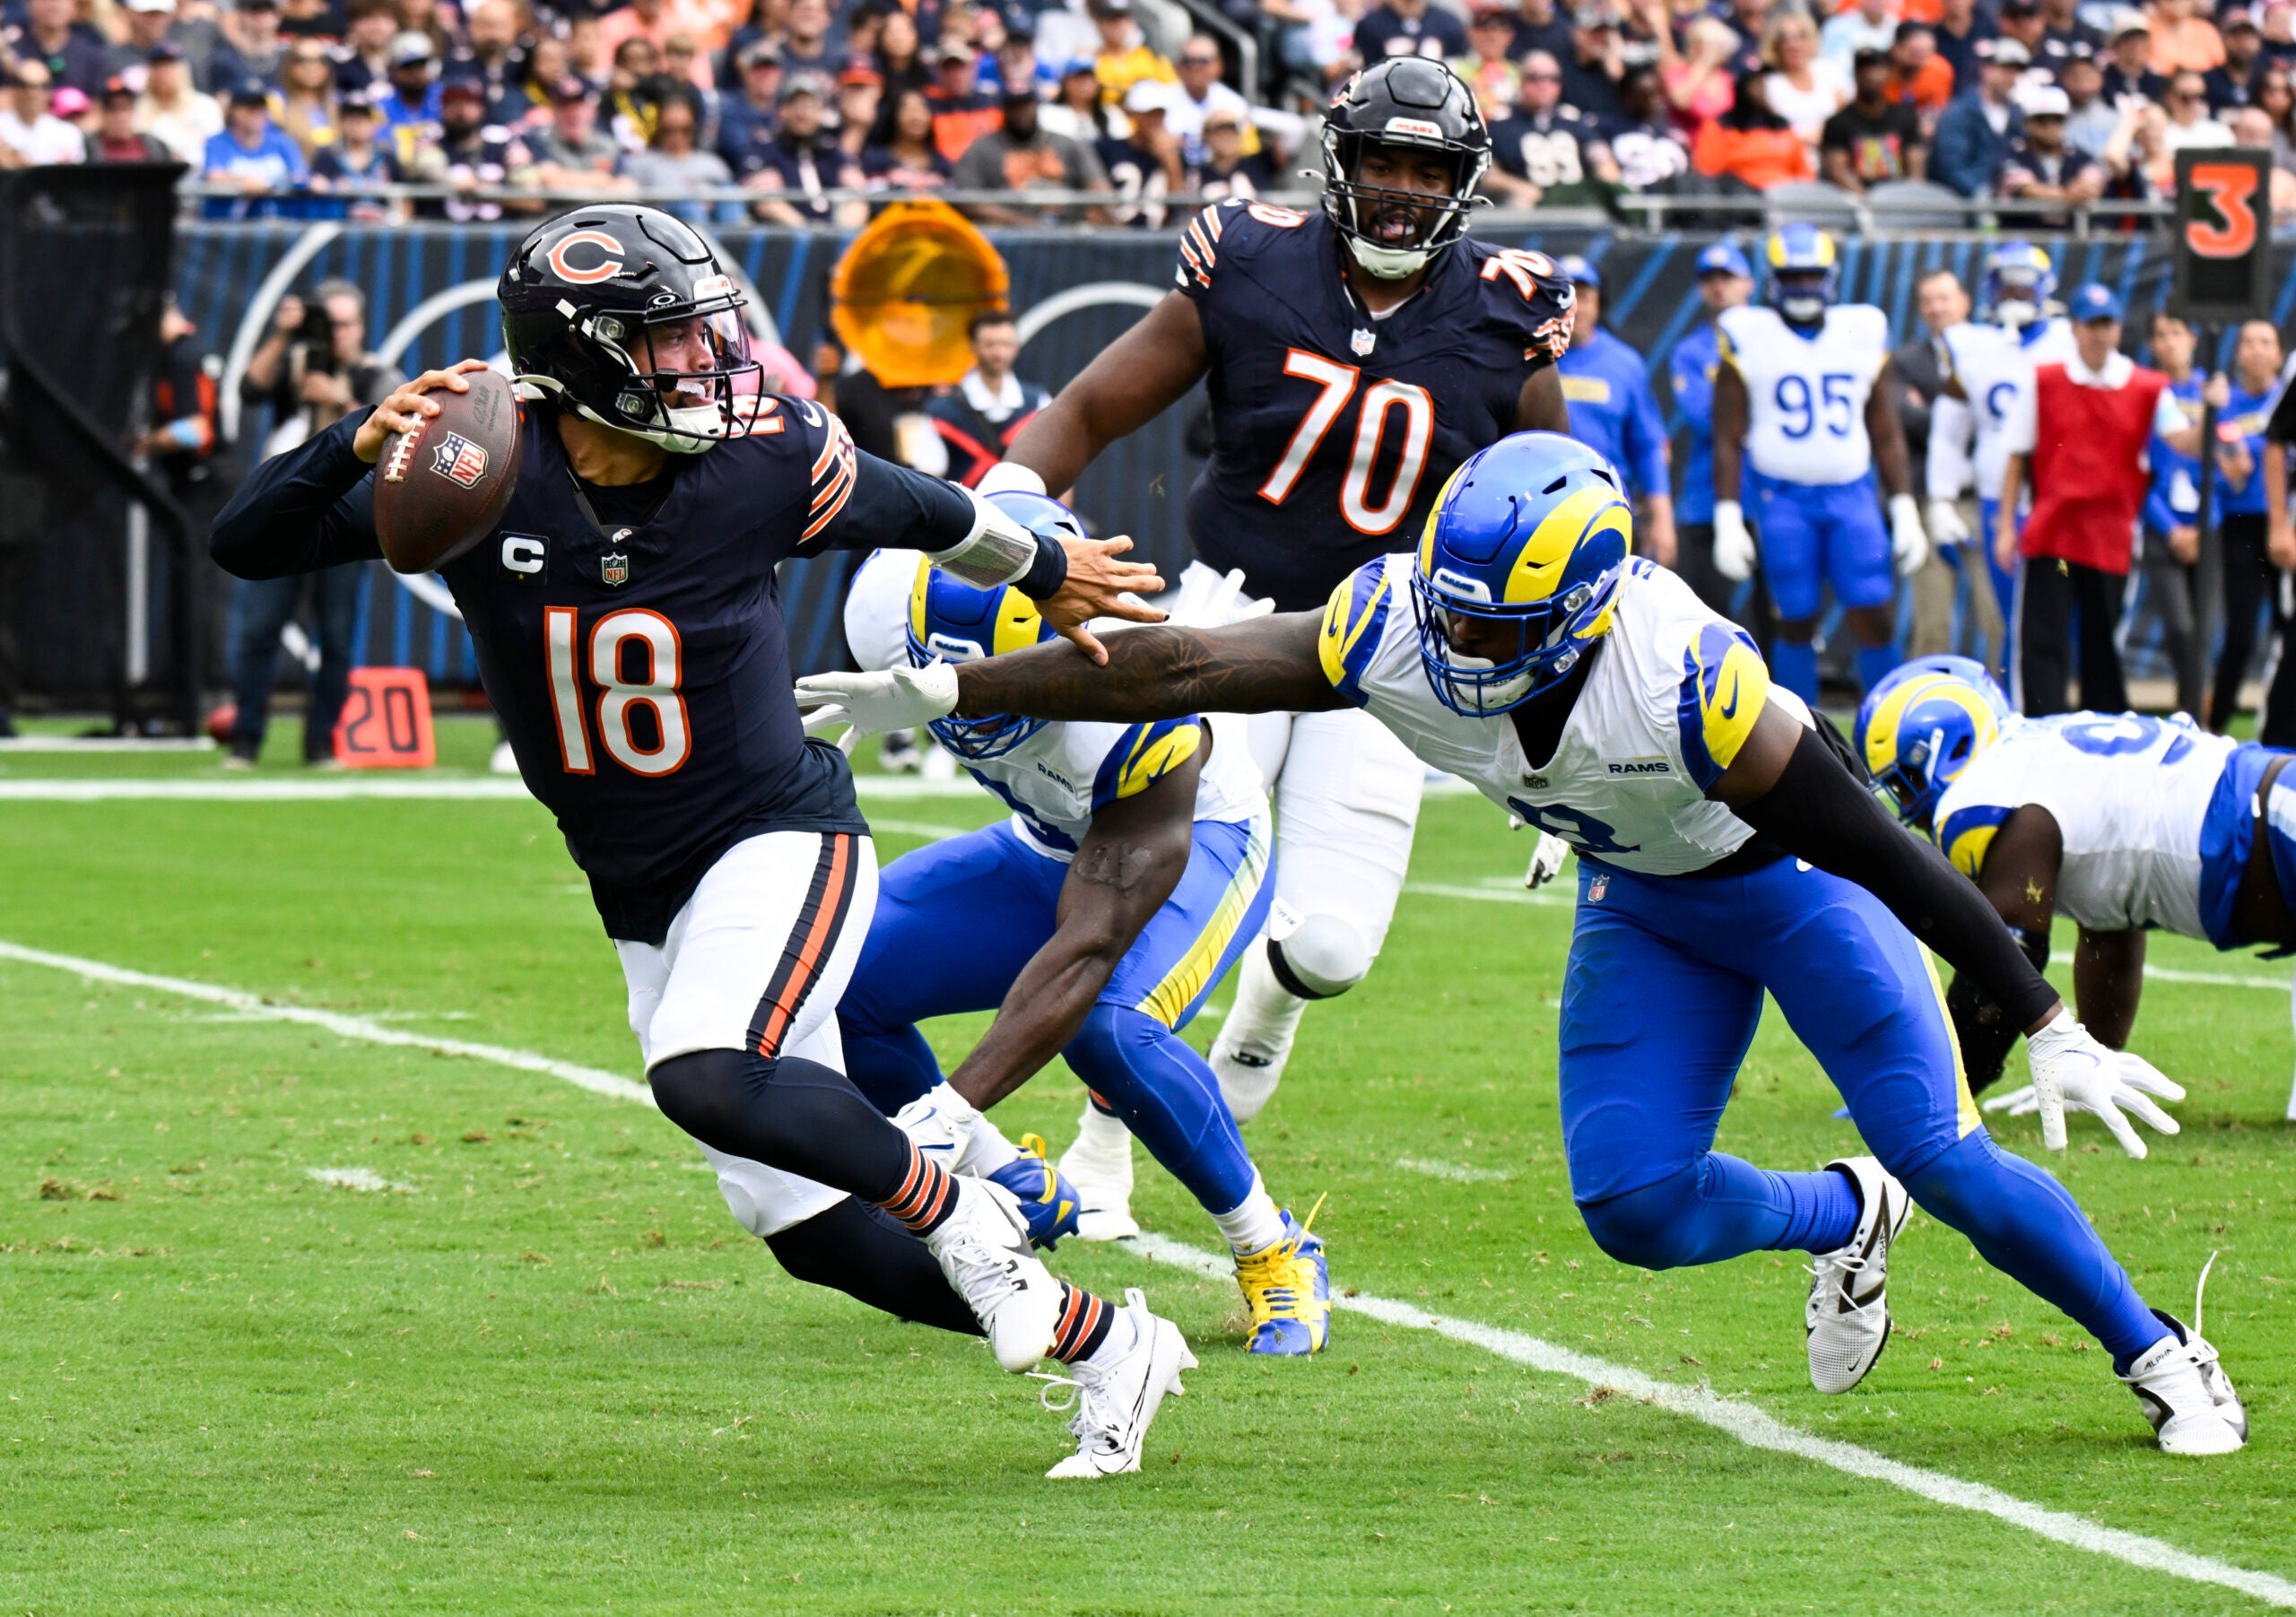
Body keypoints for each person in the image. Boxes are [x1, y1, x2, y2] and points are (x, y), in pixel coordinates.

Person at [804, 429, 2247, 1457]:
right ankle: (1841, 1217)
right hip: (1646, 899)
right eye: (1456, 614)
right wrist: (948, 682)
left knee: (1945, 1147)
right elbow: (1180, 659)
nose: (1465, 651)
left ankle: (2161, 1352)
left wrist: (2038, 1007)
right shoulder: (1394, 620)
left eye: (1505, 627)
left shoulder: (1697, 686)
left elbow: (1880, 845)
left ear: (1589, 605)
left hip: (1794, 888)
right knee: (1633, 1208)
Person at [208, 205, 1190, 1482]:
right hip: (637, 884)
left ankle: (975, 1222)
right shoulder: (482, 467)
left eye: (702, 331)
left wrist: (1047, 560)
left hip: (777, 834)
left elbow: (922, 505)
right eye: (666, 344)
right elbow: (249, 544)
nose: (706, 365)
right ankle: (1108, 1339)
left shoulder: (765, 455)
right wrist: (356, 434)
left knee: (708, 1069)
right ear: (578, 363)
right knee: (806, 1226)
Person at [970, 58, 1573, 1181]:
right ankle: (1103, 1152)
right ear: (1339, 163)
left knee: (1333, 947)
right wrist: (1005, 508)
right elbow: (1093, 404)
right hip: (1227, 621)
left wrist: (1559, 730)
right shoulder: (1250, 260)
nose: (1399, 190)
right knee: (1160, 896)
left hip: (1389, 644)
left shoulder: (1506, 315)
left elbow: (1548, 503)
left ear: (1464, 183)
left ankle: (1274, 1004)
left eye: (1426, 169)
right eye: (1382, 163)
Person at [834, 545, 1332, 1352]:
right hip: (1044, 842)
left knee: (1110, 1027)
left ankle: (1271, 1248)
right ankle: (1008, 1183)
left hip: (1190, 839)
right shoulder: (890, 599)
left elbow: (1091, 942)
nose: (982, 711)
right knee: (845, 973)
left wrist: (948, 1111)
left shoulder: (1130, 712)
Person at [1858, 660, 2288, 1126]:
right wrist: (2095, 1066)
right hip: (2261, 807)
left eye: (1904, 783)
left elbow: (2002, 963)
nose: (1905, 805)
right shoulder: (2044, 758)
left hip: (2261, 821)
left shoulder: (1983, 794)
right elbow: (2108, 931)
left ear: (1949, 749)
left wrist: (1934, 1093)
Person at [1711, 225, 1927, 704]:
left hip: (1852, 492)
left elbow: (1886, 430)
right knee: (1795, 616)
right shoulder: (1747, 333)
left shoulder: (1862, 329)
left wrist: (1906, 506)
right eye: (1793, 277)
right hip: (1782, 495)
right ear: (1773, 279)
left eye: (1812, 276)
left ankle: (1887, 723)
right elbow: (1727, 436)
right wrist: (1728, 514)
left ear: (1830, 277)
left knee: (1874, 610)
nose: (1804, 287)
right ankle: (1799, 736)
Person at [226, 280, 403, 769]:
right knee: (259, 629)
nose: (336, 333)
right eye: (328, 322)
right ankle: (245, 739)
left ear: (361, 327)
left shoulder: (376, 375)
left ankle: (322, 742)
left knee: (338, 635)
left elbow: (399, 439)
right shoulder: (298, 363)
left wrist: (340, 397)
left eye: (344, 324)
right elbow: (248, 388)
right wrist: (282, 335)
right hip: (288, 516)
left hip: (343, 519)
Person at [1996, 282, 2187, 717]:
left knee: (2103, 643)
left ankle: (2104, 731)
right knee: (2044, 640)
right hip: (2054, 533)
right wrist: (2006, 525)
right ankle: (2040, 730)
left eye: (2108, 324)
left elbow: (2182, 438)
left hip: (2110, 534)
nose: (2101, 334)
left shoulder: (2147, 386)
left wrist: (2213, 420)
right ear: (2075, 329)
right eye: (2092, 324)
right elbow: (2016, 456)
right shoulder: (2044, 380)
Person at [1925, 241, 2074, 653]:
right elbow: (1948, 431)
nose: (2013, 296)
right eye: (2006, 287)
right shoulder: (1970, 346)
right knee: (2012, 618)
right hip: (1998, 500)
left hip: (2060, 499)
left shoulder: (2070, 340)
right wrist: (1941, 497)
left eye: (2023, 288)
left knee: (2067, 616)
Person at [2204, 318, 2292, 738]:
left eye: (2265, 342)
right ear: (2238, 352)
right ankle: (2215, 725)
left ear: (2278, 352)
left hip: (2287, 524)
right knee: (2239, 634)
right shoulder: (2225, 402)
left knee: (2285, 630)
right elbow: (2207, 471)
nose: (2257, 350)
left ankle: (2273, 726)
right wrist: (2231, 475)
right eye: (2248, 342)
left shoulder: (2285, 393)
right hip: (2242, 526)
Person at [1553, 256, 1674, 565]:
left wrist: (1662, 519)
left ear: (1599, 302)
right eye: (1565, 294)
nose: (1575, 305)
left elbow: (1648, 447)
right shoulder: (1529, 357)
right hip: (1540, 514)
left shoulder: (1625, 364)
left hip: (1609, 515)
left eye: (1584, 295)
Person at [1668, 240, 1754, 619]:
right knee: (1709, 616)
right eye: (1709, 278)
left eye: (1728, 276)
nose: (1719, 286)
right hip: (1707, 495)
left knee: (1782, 617)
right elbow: (1707, 420)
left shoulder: (1772, 341)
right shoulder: (1690, 351)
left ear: (1748, 283)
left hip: (1768, 496)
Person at [2139, 309, 2206, 720]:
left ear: (2193, 338)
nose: (2169, 342)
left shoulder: (2212, 393)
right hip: (2162, 527)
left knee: (2202, 628)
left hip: (2206, 529)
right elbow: (2137, 471)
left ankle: (2198, 713)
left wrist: (2201, 529)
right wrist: (2171, 528)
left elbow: (2225, 465)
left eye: (2177, 332)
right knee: (2179, 627)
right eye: (2160, 335)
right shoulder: (2145, 392)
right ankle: (2189, 711)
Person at [947, 77, 1109, 224]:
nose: (1022, 113)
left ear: (1037, 106)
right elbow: (967, 199)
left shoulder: (1067, 144)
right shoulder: (982, 150)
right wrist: (1020, 221)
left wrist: (1094, 208)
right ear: (1004, 109)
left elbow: (1099, 186)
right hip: (1010, 234)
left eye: (1026, 105)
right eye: (1014, 107)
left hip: (1068, 227)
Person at [927, 310, 1051, 487]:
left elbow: (1055, 467)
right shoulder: (940, 412)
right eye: (989, 345)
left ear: (1016, 347)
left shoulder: (1039, 402)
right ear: (973, 347)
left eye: (1006, 344)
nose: (998, 353)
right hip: (966, 512)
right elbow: (929, 477)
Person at [408, 74, 541, 222]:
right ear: (442, 108)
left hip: (499, 238)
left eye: (467, 102)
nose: (460, 110)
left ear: (481, 107)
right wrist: (459, 185)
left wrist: (484, 190)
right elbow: (430, 171)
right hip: (443, 238)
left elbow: (533, 201)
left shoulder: (503, 140)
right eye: (452, 102)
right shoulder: (430, 138)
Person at [1484, 50, 1605, 204]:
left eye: (1552, 79)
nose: (1544, 85)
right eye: (1535, 78)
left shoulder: (1571, 119)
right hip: (1532, 206)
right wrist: (1517, 187)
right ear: (1520, 81)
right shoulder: (1502, 122)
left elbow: (1602, 158)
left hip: (1577, 202)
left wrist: (1605, 178)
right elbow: (1488, 175)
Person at [746, 74, 864, 225]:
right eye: (796, 105)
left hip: (834, 234)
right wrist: (807, 230)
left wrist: (839, 233)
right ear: (782, 110)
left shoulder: (831, 151)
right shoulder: (764, 150)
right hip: (786, 237)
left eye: (811, 106)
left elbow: (858, 194)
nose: (804, 113)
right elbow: (766, 202)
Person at [620, 81, 731, 220]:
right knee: (689, 208)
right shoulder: (641, 164)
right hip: (667, 229)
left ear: (694, 128)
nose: (677, 137)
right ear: (659, 128)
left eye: (684, 130)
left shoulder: (713, 164)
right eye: (669, 130)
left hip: (717, 230)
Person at [1929, 36, 2025, 195]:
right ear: (1986, 69)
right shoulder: (1959, 112)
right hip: (1964, 203)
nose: (2011, 78)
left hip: (2006, 201)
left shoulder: (2016, 114)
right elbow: (1951, 166)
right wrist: (1981, 193)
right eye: (2006, 70)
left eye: (2016, 72)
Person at [1821, 45, 1926, 187]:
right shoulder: (1838, 122)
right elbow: (1838, 172)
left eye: (1878, 69)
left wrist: (1908, 195)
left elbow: (1915, 165)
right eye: (1866, 69)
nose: (1872, 75)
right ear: (1856, 75)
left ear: (1889, 74)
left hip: (1899, 200)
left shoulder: (1905, 116)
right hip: (1857, 202)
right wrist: (1868, 202)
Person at [1996, 83, 2103, 222]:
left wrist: (2081, 191)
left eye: (2057, 120)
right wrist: (2069, 197)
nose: (2051, 127)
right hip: (2025, 236)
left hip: (2071, 238)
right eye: (2042, 120)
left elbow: (2092, 185)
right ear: (2027, 123)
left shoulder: (2077, 155)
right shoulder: (2014, 153)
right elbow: (2028, 190)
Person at [1691, 65, 1812, 186]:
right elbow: (1707, 171)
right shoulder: (1722, 125)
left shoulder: (1780, 125)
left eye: (1763, 81)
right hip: (1741, 195)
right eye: (1755, 82)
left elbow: (1803, 173)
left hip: (1784, 193)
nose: (1762, 88)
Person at [200, 76, 305, 213]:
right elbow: (214, 175)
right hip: (228, 228)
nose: (256, 113)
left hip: (278, 225)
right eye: (250, 107)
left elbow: (299, 176)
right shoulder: (217, 142)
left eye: (261, 107)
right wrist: (244, 182)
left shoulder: (282, 142)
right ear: (233, 110)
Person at [530, 74, 625, 188]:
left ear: (593, 110)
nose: (573, 113)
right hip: (560, 206)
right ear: (554, 110)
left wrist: (568, 179)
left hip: (597, 205)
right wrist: (598, 180)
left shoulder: (608, 144)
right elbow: (550, 180)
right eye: (564, 105)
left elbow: (627, 185)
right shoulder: (540, 140)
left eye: (579, 105)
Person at [863, 83, 955, 189]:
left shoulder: (942, 165)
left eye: (922, 110)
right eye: (908, 110)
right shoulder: (876, 161)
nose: (916, 117)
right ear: (895, 116)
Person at [84, 74, 171, 160]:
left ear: (134, 112)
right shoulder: (87, 148)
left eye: (125, 108)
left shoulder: (156, 146)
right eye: (112, 109)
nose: (120, 116)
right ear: (102, 113)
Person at [1355, 0, 1470, 62]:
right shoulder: (1370, 25)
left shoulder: (1448, 23)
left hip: (1438, 98)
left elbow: (1460, 69)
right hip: (1387, 100)